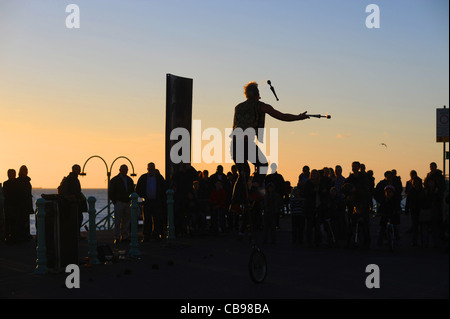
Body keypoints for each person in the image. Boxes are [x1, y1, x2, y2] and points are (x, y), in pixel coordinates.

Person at [230, 81, 309, 209]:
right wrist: (298, 117)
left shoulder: (238, 107)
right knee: (262, 164)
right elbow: (282, 116)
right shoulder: (261, 106)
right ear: (257, 94)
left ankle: (234, 204)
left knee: (243, 173)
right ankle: (253, 189)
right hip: (244, 143)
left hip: (234, 144)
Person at [136, 162, 167, 242]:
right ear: (147, 168)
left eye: (152, 168)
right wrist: (143, 196)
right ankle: (146, 236)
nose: (151, 169)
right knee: (147, 219)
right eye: (150, 168)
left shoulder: (159, 177)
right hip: (147, 201)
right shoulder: (143, 177)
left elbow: (164, 188)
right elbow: (138, 189)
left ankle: (156, 235)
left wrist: (161, 199)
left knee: (157, 219)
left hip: (156, 201)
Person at [59, 164, 87, 238]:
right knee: (77, 219)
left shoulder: (70, 178)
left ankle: (74, 234)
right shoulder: (73, 179)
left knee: (75, 219)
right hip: (73, 203)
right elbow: (75, 191)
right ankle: (76, 235)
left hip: (69, 202)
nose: (79, 171)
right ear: (74, 170)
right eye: (78, 169)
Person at [109, 164, 135, 244]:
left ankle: (125, 236)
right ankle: (117, 237)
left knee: (126, 220)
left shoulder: (130, 180)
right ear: (120, 170)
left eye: (126, 169)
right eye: (123, 169)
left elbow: (132, 190)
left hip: (127, 202)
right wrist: (115, 201)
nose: (125, 171)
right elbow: (111, 191)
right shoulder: (114, 180)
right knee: (117, 220)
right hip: (119, 202)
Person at [16, 165, 33, 242]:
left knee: (27, 219)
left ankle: (26, 234)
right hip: (21, 203)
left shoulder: (27, 181)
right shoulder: (19, 181)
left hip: (27, 203)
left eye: (25, 170)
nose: (25, 171)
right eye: (23, 170)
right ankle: (22, 235)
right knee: (21, 220)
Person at [3, 169, 19, 243]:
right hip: (9, 205)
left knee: (14, 222)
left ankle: (14, 237)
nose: (13, 175)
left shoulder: (17, 183)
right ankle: (7, 237)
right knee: (8, 222)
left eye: (13, 174)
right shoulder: (6, 183)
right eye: (11, 174)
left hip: (15, 205)